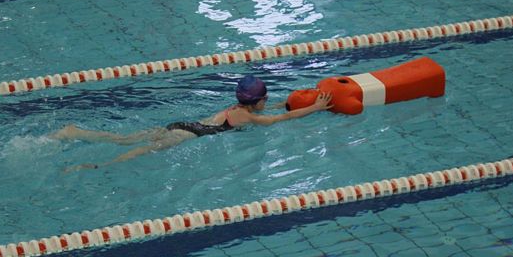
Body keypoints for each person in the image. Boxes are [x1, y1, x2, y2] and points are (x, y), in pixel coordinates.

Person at [51, 75, 332, 171]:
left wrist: (289, 101)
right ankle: (98, 166)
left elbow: (275, 109)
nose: (267, 101)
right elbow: (282, 118)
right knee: (139, 151)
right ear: (256, 101)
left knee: (125, 139)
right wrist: (315, 107)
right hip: (185, 137)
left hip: (181, 125)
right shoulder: (248, 117)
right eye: (265, 98)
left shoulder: (238, 108)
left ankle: (74, 132)